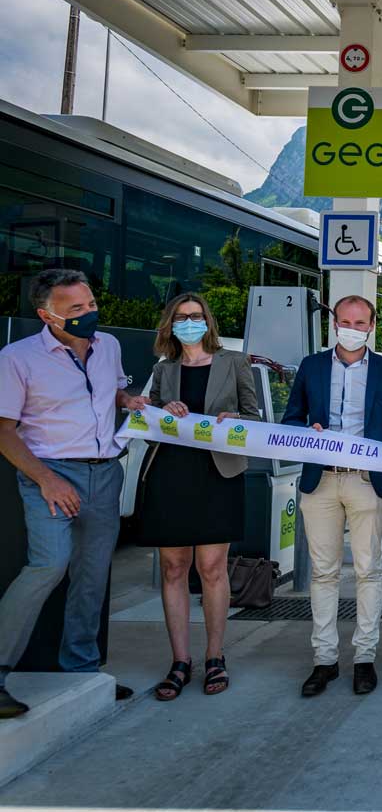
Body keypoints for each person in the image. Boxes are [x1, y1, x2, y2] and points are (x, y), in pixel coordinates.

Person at [0, 269, 148, 719]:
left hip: (105, 474)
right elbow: (4, 431)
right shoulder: (17, 358)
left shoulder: (110, 347)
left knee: (91, 575)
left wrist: (130, 401)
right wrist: (47, 479)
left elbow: (115, 390)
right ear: (47, 315)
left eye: (90, 304)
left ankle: (82, 672)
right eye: (76, 309)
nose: (89, 314)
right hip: (51, 474)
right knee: (48, 564)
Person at [133, 293, 261, 701]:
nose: (190, 322)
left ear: (208, 321)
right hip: (169, 473)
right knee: (173, 568)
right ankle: (180, 661)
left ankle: (214, 656)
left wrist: (235, 419)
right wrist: (159, 407)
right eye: (181, 317)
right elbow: (146, 416)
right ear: (170, 324)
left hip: (217, 473)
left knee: (212, 568)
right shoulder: (163, 369)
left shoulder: (234, 362)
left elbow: (254, 417)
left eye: (196, 316)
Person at [283, 295, 382, 698]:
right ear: (333, 323)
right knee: (323, 573)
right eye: (345, 321)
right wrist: (307, 431)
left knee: (369, 570)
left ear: (371, 326)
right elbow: (291, 419)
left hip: (367, 482)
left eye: (360, 322)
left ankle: (364, 658)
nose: (352, 328)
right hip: (320, 483)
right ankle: (325, 660)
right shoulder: (311, 366)